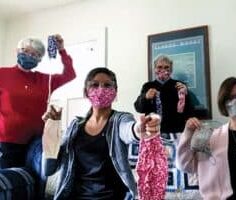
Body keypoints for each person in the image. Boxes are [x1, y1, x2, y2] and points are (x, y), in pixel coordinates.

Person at [42, 67, 161, 200]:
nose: (101, 89)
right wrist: (51, 131)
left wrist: (138, 129)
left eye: (107, 85)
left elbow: (128, 129)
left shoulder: (120, 119)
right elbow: (49, 170)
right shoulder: (75, 127)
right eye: (94, 84)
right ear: (85, 92)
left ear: (115, 92)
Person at [0, 34, 76, 168]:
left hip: (36, 143)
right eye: (26, 51)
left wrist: (62, 50)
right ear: (17, 51)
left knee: (34, 182)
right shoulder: (3, 74)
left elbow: (69, 74)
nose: (30, 55)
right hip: (7, 143)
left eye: (35, 54)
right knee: (8, 183)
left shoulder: (45, 80)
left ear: (40, 59)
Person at [134, 55, 193, 133]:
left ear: (171, 70)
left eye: (166, 67)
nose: (163, 70)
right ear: (154, 69)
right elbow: (138, 108)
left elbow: (189, 111)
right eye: (159, 67)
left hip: (176, 131)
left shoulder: (179, 85)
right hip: (153, 131)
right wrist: (145, 97)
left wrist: (185, 94)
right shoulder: (147, 86)